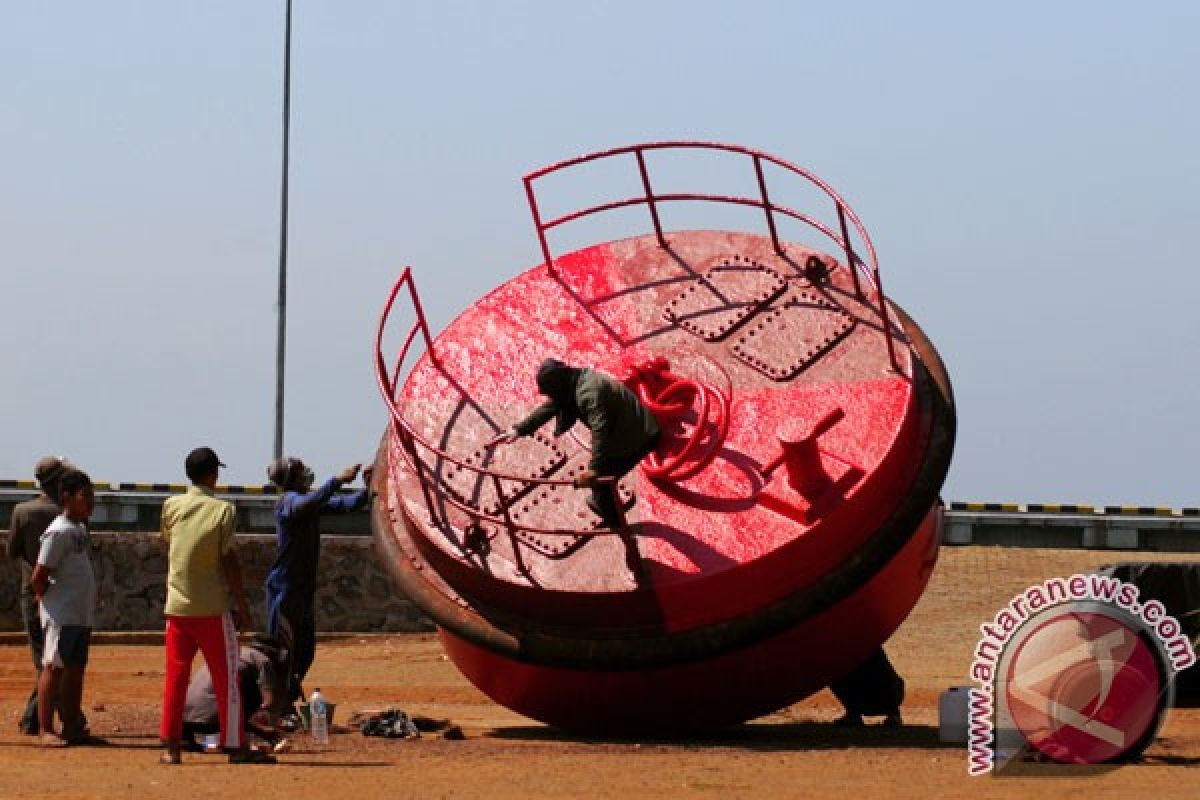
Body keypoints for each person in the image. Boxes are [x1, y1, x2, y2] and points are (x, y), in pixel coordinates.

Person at [159, 446, 272, 765]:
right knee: (227, 679)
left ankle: (171, 746)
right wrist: (242, 605)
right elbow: (229, 562)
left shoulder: (171, 506)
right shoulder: (223, 511)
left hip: (177, 607)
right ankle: (234, 745)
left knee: (175, 677)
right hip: (211, 608)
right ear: (213, 475)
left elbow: (172, 544)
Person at [490, 358, 660, 527]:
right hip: (636, 427)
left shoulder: (588, 395)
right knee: (602, 479)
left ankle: (621, 529)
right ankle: (601, 501)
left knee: (602, 484)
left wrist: (594, 470)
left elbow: (600, 431)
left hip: (641, 438)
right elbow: (551, 407)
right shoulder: (577, 378)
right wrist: (519, 430)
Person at [264, 457, 371, 703]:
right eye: (301, 472)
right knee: (283, 648)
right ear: (291, 479)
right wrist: (337, 480)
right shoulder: (287, 503)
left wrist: (370, 488)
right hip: (285, 588)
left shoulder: (308, 504)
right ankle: (275, 702)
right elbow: (310, 502)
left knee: (305, 650)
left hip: (301, 588)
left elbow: (346, 505)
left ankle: (288, 694)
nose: (307, 475)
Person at [6, 456, 81, 737]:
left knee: (44, 657)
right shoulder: (68, 513)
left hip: (30, 589)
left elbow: (12, 552)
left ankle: (36, 718)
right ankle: (46, 718)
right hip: (63, 594)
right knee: (55, 660)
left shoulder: (23, 512)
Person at [30, 468, 97, 747]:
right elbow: (39, 575)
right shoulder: (57, 533)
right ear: (67, 497)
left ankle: (71, 725)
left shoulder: (78, 530)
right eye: (85, 496)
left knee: (75, 669)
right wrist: (48, 603)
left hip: (79, 613)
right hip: (62, 613)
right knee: (53, 668)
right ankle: (46, 728)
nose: (91, 502)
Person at [183, 636, 289, 751]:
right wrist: (265, 727)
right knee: (253, 690)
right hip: (215, 723)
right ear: (268, 651)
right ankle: (233, 741)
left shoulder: (231, 653)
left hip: (185, 720)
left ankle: (185, 738)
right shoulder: (263, 660)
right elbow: (268, 702)